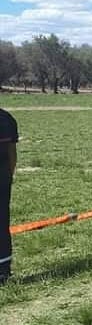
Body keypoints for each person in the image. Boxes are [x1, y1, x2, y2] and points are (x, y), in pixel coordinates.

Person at [0, 108, 18, 285]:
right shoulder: (6, 118)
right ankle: (3, 271)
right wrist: (9, 176)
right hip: (3, 177)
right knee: (2, 223)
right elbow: (12, 153)